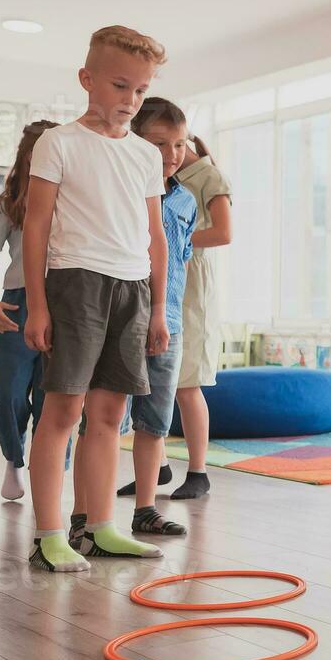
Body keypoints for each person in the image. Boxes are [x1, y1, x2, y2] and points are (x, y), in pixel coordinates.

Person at [21, 24, 171, 572]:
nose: (129, 100)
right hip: (76, 282)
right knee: (63, 409)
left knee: (111, 414)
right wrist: (37, 304)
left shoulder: (145, 156)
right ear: (87, 80)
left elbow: (155, 237)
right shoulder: (57, 142)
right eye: (118, 86)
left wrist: (157, 308)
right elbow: (36, 226)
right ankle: (48, 534)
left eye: (139, 90)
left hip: (132, 288)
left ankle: (100, 528)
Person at [67, 97, 196, 542]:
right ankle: (83, 515)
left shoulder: (184, 201)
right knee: (101, 420)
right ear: (138, 141)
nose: (171, 154)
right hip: (125, 314)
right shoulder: (122, 188)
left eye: (179, 144)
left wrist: (165, 314)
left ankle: (146, 509)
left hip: (168, 319)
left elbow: (176, 260)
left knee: (155, 421)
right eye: (160, 143)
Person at [0, 119, 60, 501]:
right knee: (6, 391)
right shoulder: (8, 206)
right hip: (18, 302)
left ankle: (49, 471)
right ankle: (13, 458)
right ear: (27, 158)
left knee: (51, 395)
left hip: (63, 301)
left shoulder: (73, 202)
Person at [168, 135, 233, 500]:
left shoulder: (210, 178)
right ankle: (158, 465)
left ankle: (198, 471)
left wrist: (175, 238)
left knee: (186, 383)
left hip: (193, 287)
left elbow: (223, 232)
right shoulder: (166, 177)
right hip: (165, 280)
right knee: (156, 380)